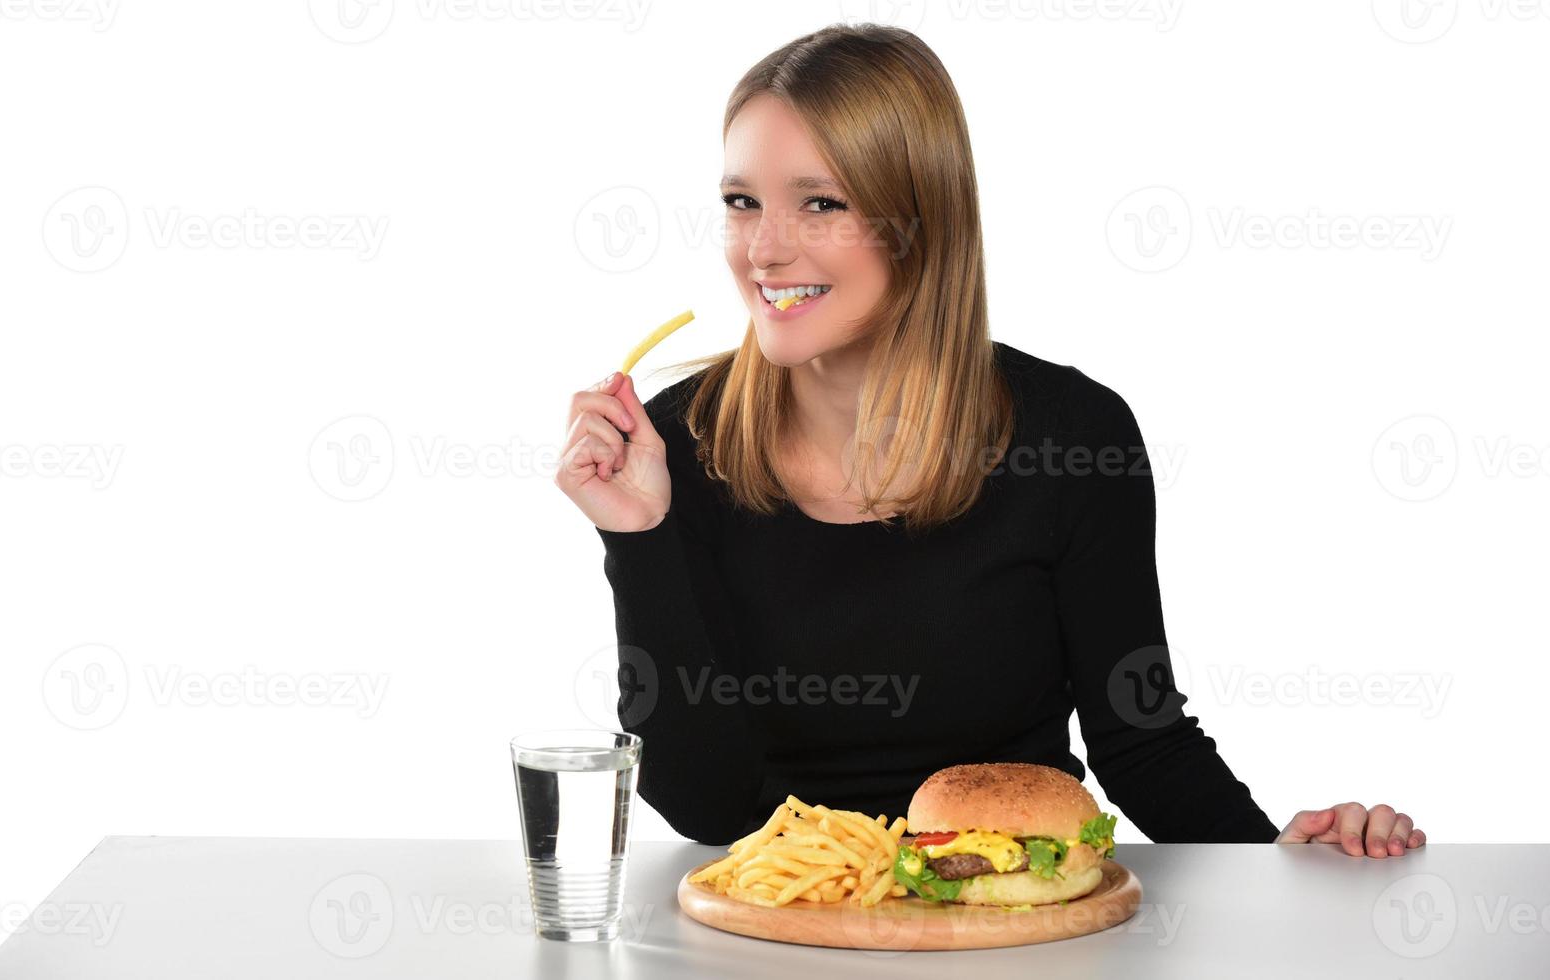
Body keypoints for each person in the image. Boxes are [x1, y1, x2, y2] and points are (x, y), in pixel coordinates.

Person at [557, 24, 1425, 858]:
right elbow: (706, 809)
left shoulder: (1074, 436)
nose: (764, 250)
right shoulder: (675, 444)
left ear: (921, 220)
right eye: (741, 203)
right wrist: (637, 537)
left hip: (1023, 930)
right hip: (790, 929)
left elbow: (1141, 745)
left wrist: (1277, 863)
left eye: (820, 203)